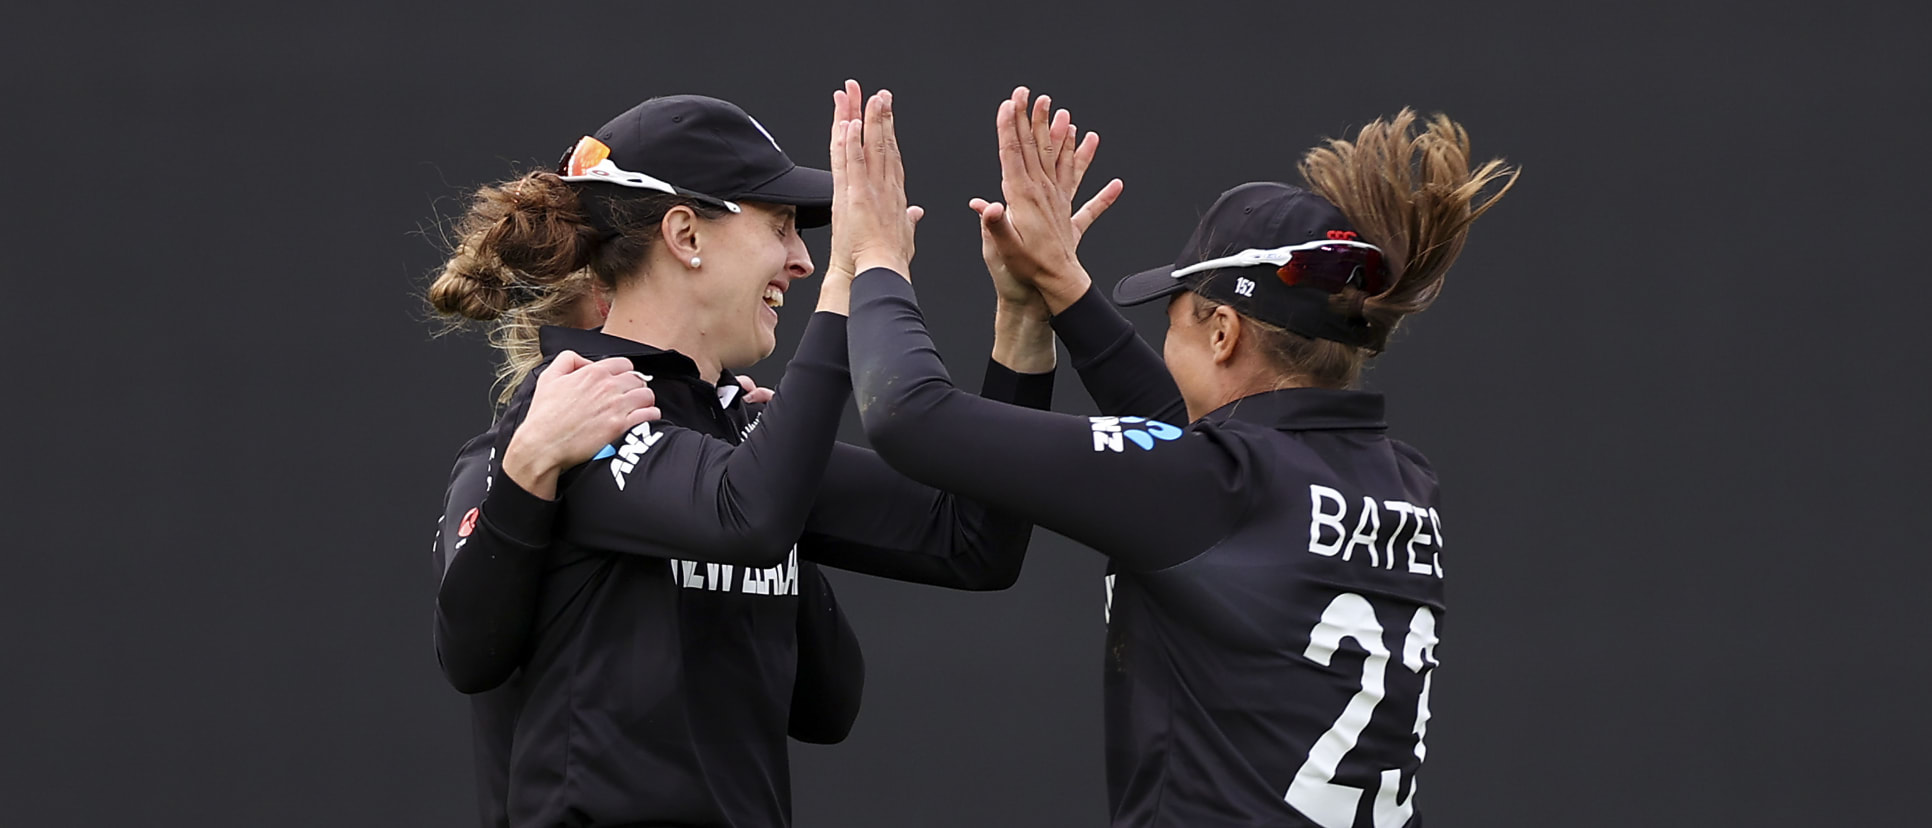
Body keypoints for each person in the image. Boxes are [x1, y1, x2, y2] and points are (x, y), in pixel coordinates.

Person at [422, 83, 1103, 827]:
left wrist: (1022, 320)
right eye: (781, 225)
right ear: (685, 236)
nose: (804, 260)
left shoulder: (735, 434)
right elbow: (745, 513)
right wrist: (856, 275)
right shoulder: (576, 412)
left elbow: (972, 542)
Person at [840, 87, 1517, 827]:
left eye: (1177, 322)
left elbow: (908, 415)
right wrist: (1061, 287)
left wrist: (874, 252)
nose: (1169, 345)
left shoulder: (1211, 485)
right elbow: (1194, 441)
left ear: (1223, 332)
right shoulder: (1408, 484)